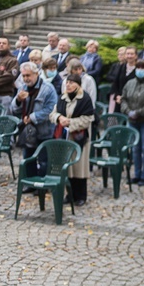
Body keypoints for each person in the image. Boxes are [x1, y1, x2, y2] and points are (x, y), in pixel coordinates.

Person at [49, 73, 94, 206]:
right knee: (68, 167)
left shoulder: (85, 98)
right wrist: (59, 118)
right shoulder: (62, 97)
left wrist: (70, 122)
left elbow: (88, 119)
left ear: (78, 85)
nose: (68, 85)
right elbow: (52, 113)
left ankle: (81, 196)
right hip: (64, 137)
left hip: (79, 138)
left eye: (71, 82)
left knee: (79, 167)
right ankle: (69, 194)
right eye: (67, 82)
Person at [10, 62, 58, 184]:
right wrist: (18, 100)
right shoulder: (22, 88)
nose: (26, 78)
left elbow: (51, 109)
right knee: (28, 158)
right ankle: (30, 183)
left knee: (43, 160)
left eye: (28, 75)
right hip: (28, 132)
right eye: (24, 76)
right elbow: (13, 109)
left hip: (44, 130)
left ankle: (42, 184)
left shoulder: (48, 88)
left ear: (36, 74)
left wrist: (32, 117)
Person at [120, 60, 144, 186]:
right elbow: (124, 99)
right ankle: (136, 174)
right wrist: (128, 111)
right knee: (135, 148)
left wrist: (139, 112)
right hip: (132, 120)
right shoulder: (130, 83)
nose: (140, 70)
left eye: (143, 67)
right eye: (138, 67)